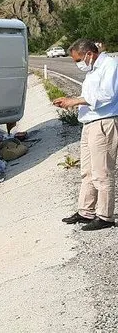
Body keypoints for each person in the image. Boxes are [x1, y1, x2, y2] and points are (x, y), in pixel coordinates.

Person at [55, 38, 118, 231]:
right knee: (88, 171)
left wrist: (74, 101)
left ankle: (105, 216)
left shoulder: (110, 65)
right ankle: (86, 211)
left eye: (78, 59)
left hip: (103, 123)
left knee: (102, 172)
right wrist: (70, 101)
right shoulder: (92, 71)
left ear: (89, 54)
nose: (78, 64)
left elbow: (107, 95)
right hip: (89, 124)